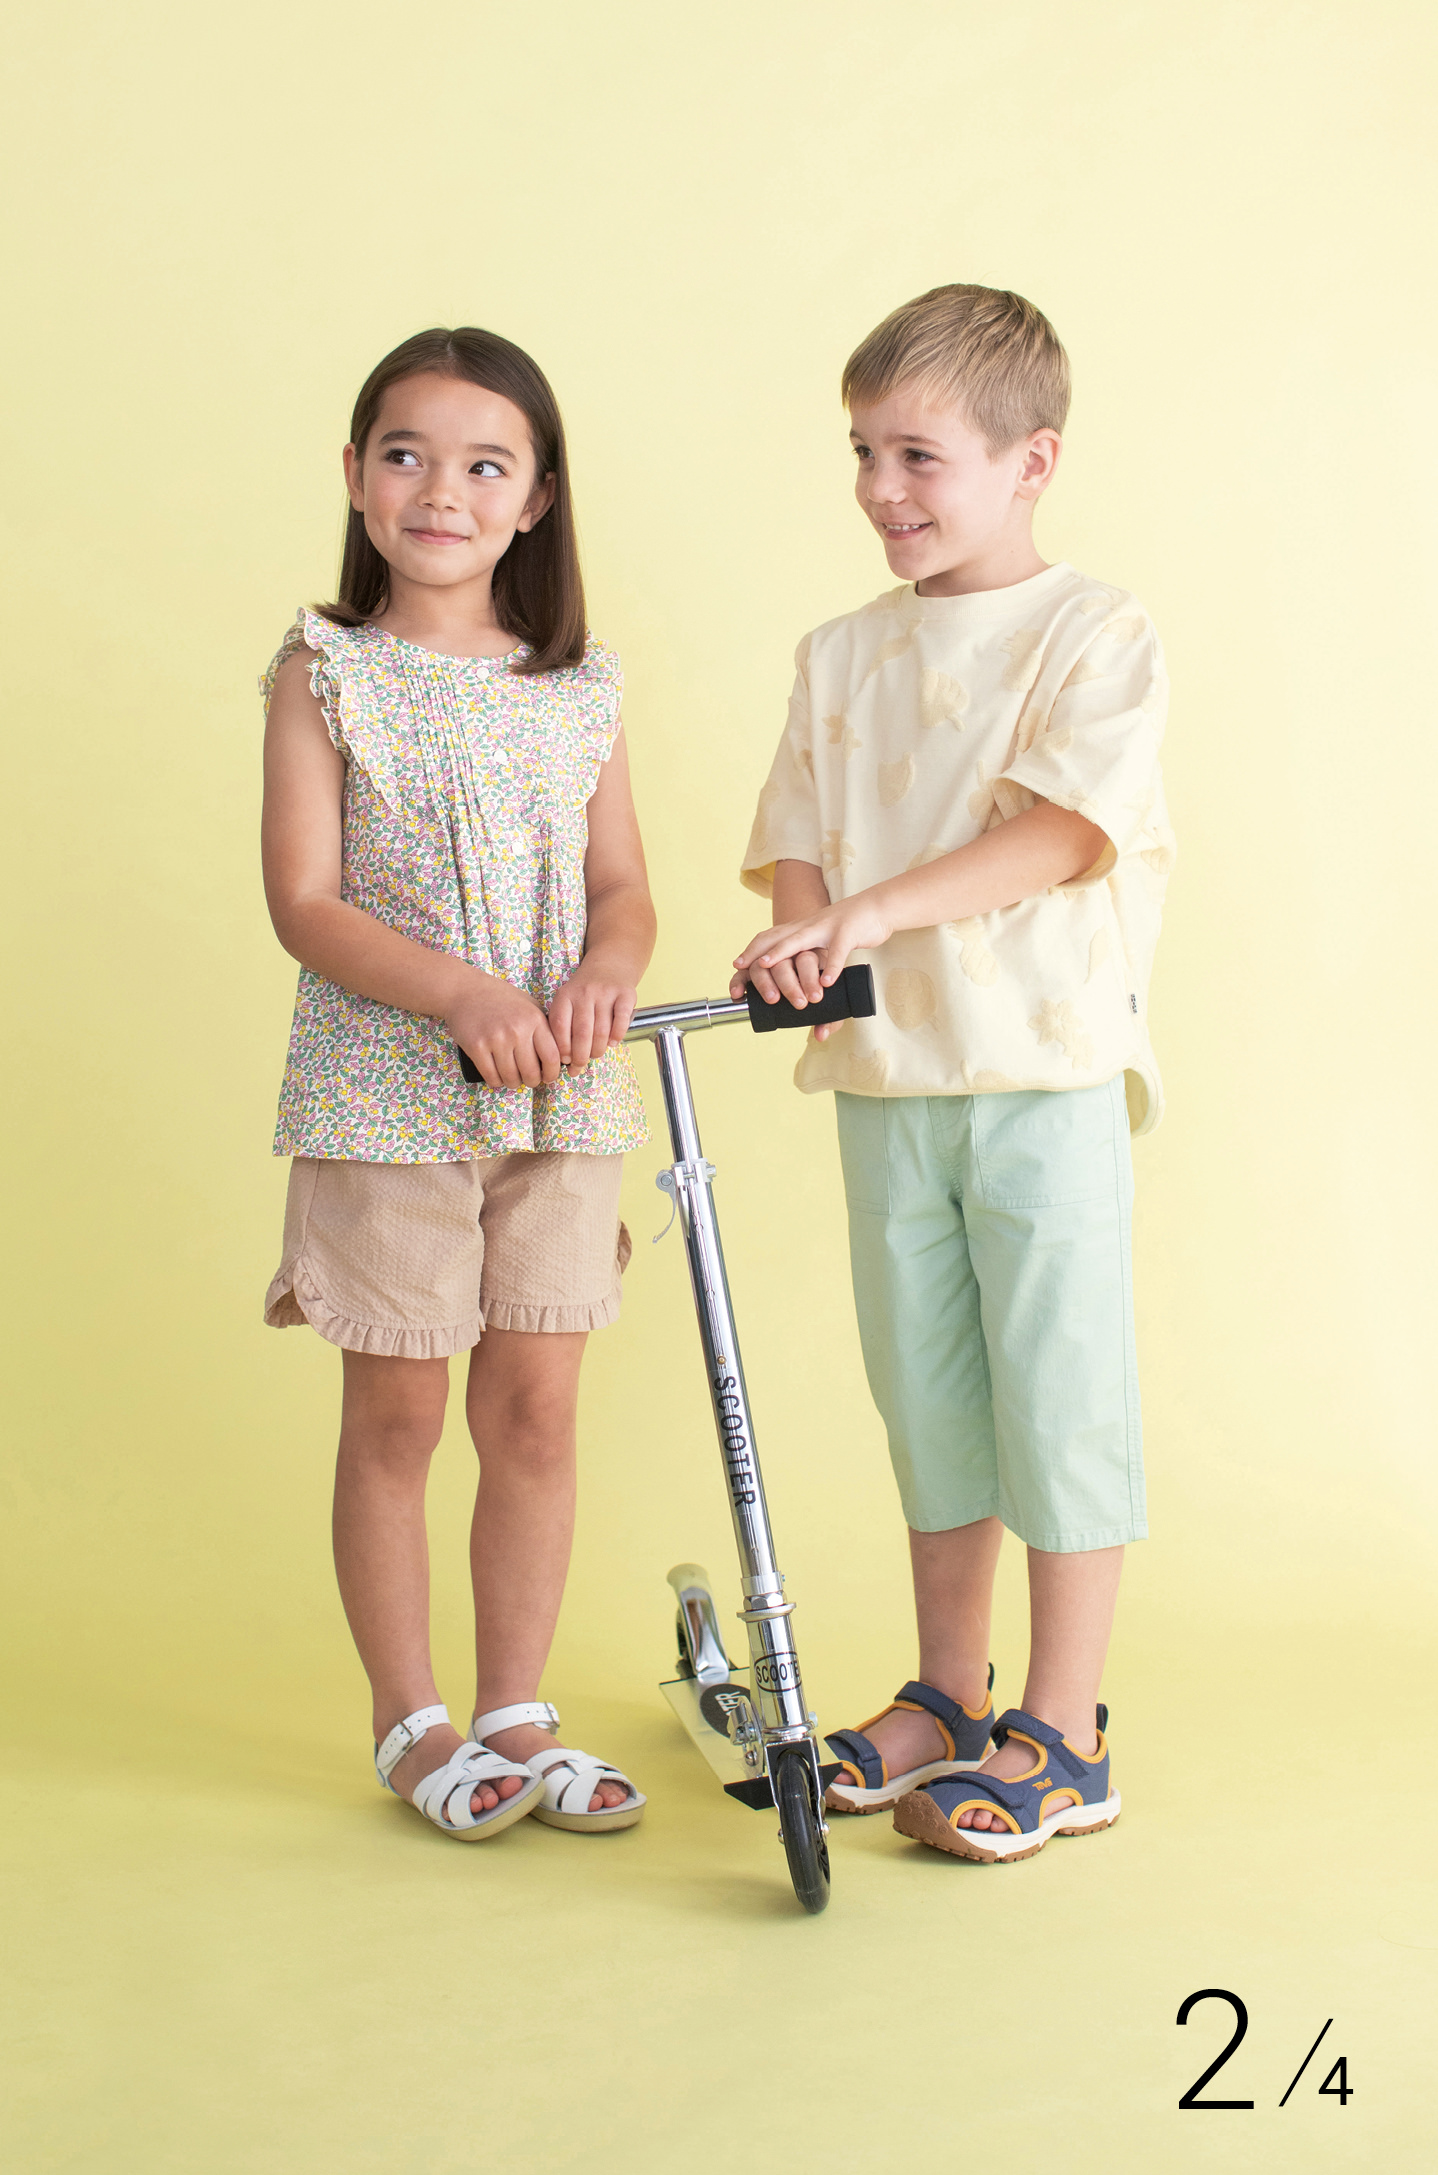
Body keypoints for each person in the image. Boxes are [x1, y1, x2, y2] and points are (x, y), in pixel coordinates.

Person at [731, 285, 1174, 1863]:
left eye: (916, 456)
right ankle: (949, 1691)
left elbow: (1061, 835)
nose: (879, 487)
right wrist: (804, 934)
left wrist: (866, 915)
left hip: (1042, 1072)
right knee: (926, 1394)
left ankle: (1063, 1728)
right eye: (862, 452)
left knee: (1058, 1391)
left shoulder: (1093, 632)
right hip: (887, 1078)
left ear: (1027, 460)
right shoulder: (837, 653)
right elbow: (796, 835)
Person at [261, 327, 655, 1841]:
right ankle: (411, 1719)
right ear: (357, 476)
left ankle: (515, 1709)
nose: (443, 491)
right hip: (388, 1101)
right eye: (407, 455)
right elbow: (306, 901)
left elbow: (623, 886)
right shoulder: (326, 674)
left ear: (536, 498)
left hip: (561, 1102)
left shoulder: (580, 689)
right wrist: (464, 995)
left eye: (487, 465)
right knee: (398, 1417)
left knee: (537, 1411)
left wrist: (607, 965)